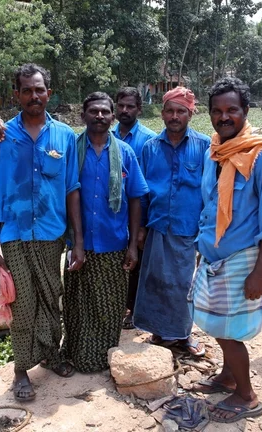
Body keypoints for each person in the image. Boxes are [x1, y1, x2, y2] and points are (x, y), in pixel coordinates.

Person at [0, 63, 85, 402]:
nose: (34, 95)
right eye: (27, 90)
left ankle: (51, 355)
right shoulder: (1, 136)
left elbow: (72, 189)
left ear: (48, 93)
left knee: (50, 298)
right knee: (23, 304)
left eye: (39, 89)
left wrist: (76, 240)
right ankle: (21, 369)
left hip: (51, 233)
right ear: (18, 95)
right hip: (13, 235)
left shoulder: (65, 136)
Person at [188, 77, 262, 422]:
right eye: (217, 111)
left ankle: (247, 396)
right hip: (213, 255)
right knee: (214, 324)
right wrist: (203, 247)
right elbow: (209, 206)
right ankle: (228, 376)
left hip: (243, 259)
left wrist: (260, 271)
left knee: (230, 331)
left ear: (245, 111)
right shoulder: (213, 151)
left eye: (232, 110)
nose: (224, 117)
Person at [62, 92, 148, 372]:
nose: (99, 116)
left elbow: (136, 198)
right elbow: (65, 193)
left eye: (105, 112)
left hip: (114, 242)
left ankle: (103, 355)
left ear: (112, 117)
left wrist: (134, 245)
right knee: (78, 303)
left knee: (109, 305)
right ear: (83, 115)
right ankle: (75, 351)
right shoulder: (71, 151)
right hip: (79, 243)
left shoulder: (125, 152)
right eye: (93, 111)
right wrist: (76, 240)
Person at [133, 86, 210, 357]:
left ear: (190, 114)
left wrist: (207, 233)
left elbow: (211, 193)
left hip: (188, 230)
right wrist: (140, 228)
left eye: (181, 111)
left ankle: (183, 335)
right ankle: (159, 332)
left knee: (183, 286)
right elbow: (141, 192)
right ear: (163, 114)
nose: (175, 116)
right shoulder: (150, 148)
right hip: (156, 226)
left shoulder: (205, 147)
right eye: (170, 110)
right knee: (155, 281)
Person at [111, 87, 157, 329]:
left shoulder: (149, 140)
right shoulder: (106, 136)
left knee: (137, 264)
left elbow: (149, 184)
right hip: (114, 216)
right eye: (121, 105)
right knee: (118, 263)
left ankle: (135, 310)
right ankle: (119, 306)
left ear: (139, 109)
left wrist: (142, 225)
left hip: (138, 214)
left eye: (130, 106)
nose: (125, 110)